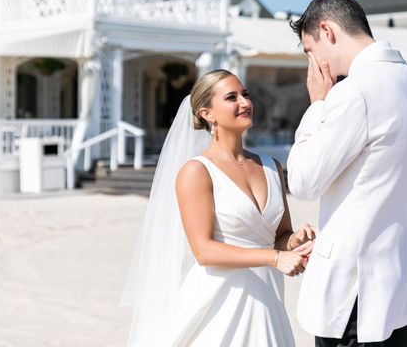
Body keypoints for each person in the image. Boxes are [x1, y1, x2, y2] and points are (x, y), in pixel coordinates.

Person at [287, 0, 407, 346]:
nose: (312, 65)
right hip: (399, 289)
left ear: (327, 31)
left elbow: (302, 182)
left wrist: (317, 107)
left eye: (310, 51)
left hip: (351, 295)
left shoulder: (355, 91)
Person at [123, 69, 315, 346]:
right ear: (207, 114)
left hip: (266, 298)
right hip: (218, 302)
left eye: (246, 94)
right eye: (231, 97)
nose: (245, 102)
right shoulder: (197, 171)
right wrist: (274, 259)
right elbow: (204, 251)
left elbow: (280, 236)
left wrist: (296, 241)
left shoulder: (272, 166)